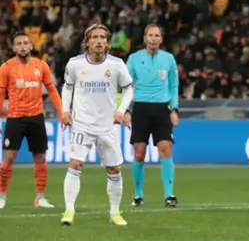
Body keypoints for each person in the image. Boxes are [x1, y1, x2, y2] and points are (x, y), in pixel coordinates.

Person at [60, 24, 134, 227]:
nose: (100, 40)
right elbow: (67, 88)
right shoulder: (75, 64)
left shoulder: (117, 64)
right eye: (95, 37)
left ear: (107, 42)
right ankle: (69, 210)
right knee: (75, 164)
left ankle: (115, 212)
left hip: (107, 126)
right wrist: (65, 111)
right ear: (87, 42)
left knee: (114, 169)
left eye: (103, 37)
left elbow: (128, 89)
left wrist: (122, 110)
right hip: (82, 124)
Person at [0, 31, 63, 209]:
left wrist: (61, 111)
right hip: (15, 118)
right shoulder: (6, 67)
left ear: (31, 46)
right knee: (9, 157)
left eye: (25, 43)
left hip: (36, 117)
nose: (22, 46)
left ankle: (40, 198)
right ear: (14, 48)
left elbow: (51, 90)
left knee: (40, 157)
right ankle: (2, 196)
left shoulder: (41, 65)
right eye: (18, 43)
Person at [124, 25, 180, 207]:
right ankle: (138, 195)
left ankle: (169, 195)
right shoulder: (134, 59)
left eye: (157, 35)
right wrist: (125, 110)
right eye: (151, 35)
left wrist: (174, 109)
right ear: (145, 38)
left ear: (161, 39)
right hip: (140, 108)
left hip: (162, 109)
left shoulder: (169, 59)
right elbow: (125, 87)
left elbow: (173, 86)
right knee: (139, 153)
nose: (154, 39)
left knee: (166, 149)